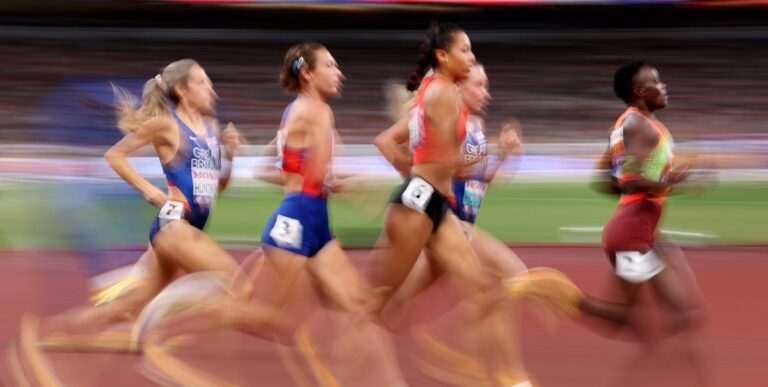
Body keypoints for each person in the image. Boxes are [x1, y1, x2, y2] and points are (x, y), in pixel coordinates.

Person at [34, 59, 282, 346]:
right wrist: (148, 189)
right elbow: (115, 156)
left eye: (210, 83)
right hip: (174, 227)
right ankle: (156, 322)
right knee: (235, 287)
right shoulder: (166, 125)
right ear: (183, 90)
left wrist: (231, 154)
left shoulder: (213, 128)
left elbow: (218, 188)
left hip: (187, 230)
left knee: (126, 306)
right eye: (202, 83)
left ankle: (52, 333)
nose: (211, 90)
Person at [375, 62, 537, 386]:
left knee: (391, 308)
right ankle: (507, 376)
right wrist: (427, 193)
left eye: (487, 85)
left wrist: (507, 157)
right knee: (512, 277)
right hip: (445, 223)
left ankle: (359, 343)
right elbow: (411, 160)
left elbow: (477, 181)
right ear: (458, 88)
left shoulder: (474, 125)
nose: (486, 93)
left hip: (453, 226)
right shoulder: (442, 118)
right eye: (479, 85)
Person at [577, 61, 711, 385]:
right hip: (631, 238)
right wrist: (672, 184)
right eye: (657, 82)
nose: (663, 86)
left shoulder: (626, 124)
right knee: (667, 315)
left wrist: (660, 182)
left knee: (644, 318)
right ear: (640, 91)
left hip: (639, 232)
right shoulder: (638, 126)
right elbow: (629, 181)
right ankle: (564, 298)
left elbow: (604, 180)